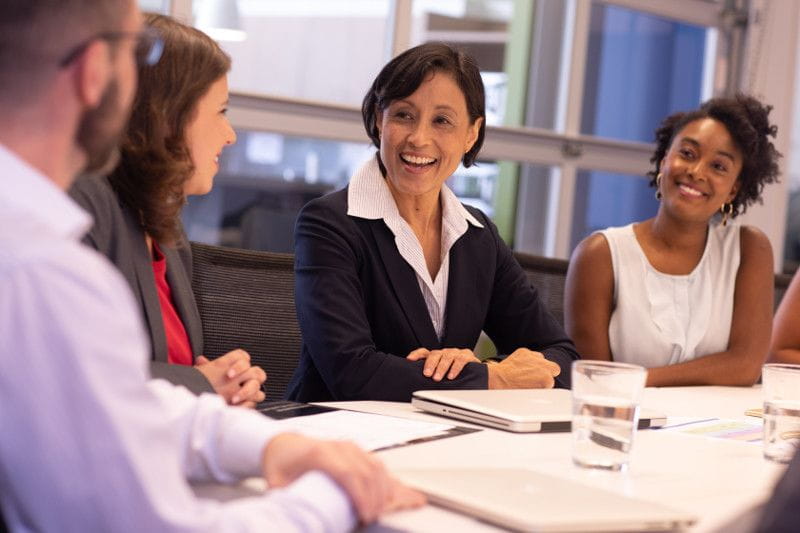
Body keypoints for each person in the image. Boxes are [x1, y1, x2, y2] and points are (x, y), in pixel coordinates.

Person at [0, 1, 423, 531]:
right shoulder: (42, 274)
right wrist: (336, 495)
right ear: (93, 73)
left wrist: (271, 443)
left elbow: (121, 400)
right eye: (138, 52)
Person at [287, 42, 579, 402]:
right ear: (380, 121)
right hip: (335, 436)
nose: (419, 138)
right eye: (403, 115)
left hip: (439, 437)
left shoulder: (477, 235)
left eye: (442, 121)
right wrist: (490, 376)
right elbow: (352, 372)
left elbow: (561, 357)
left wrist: (490, 370)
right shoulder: (329, 224)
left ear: (471, 133)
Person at [69, 13, 265, 406]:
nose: (230, 136)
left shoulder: (165, 226)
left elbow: (176, 369)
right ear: (168, 117)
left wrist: (225, 384)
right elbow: (70, 372)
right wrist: (200, 384)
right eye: (221, 112)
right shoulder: (83, 203)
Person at [565, 94, 780, 387]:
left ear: (733, 190)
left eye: (718, 167)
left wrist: (638, 379)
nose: (696, 171)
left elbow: (745, 366)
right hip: (630, 426)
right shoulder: (600, 254)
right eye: (688, 154)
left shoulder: (749, 250)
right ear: (665, 160)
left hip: (719, 428)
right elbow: (595, 383)